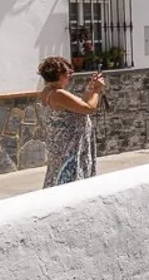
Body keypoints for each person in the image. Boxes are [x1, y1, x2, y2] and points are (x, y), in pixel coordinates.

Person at [37, 54, 104, 183]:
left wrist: (90, 88)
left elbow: (80, 104)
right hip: (69, 149)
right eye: (68, 71)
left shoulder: (49, 91)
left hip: (65, 147)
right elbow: (89, 108)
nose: (71, 74)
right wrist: (97, 90)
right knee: (69, 181)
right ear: (59, 74)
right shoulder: (58, 94)